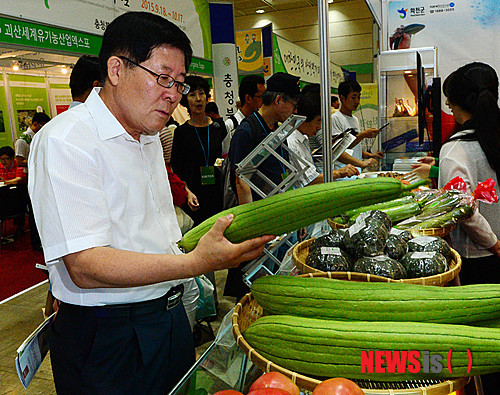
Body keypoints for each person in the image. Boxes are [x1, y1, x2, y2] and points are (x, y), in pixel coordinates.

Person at [28, 11, 273, 394]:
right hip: (109, 336)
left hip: (168, 318)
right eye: (162, 78)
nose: (173, 94)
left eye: (179, 83)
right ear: (116, 69)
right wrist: (195, 263)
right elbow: (85, 265)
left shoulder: (145, 135)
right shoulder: (67, 141)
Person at [437, 61, 500, 393]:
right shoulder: (493, 136)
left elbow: (462, 206)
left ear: (457, 104)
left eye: (448, 100)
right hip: (495, 252)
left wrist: (494, 244)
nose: (447, 106)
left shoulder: (456, 148)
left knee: (483, 345)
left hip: (479, 260)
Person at [224, 72, 301, 300]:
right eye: (293, 105)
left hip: (276, 214)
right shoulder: (247, 131)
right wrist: (251, 223)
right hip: (258, 219)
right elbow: (240, 180)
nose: (294, 111)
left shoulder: (277, 131)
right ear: (279, 101)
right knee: (251, 282)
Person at [170, 75, 227, 226]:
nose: (198, 99)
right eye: (192, 95)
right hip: (193, 194)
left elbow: (221, 155)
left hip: (216, 191)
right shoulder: (181, 133)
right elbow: (177, 168)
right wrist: (187, 192)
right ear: (185, 101)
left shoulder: (218, 128)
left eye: (201, 93)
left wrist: (217, 165)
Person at [287, 84, 359, 189]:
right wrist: (338, 173)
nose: (320, 127)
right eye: (318, 121)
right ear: (303, 120)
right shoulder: (292, 142)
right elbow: (308, 180)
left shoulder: (304, 139)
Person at [332, 80, 383, 175]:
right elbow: (338, 151)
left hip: (357, 172)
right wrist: (363, 135)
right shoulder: (335, 119)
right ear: (342, 98)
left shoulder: (354, 119)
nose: (357, 101)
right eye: (353, 97)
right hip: (343, 173)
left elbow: (354, 148)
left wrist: (370, 155)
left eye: (359, 97)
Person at [223, 74, 266, 154]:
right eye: (261, 96)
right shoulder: (231, 125)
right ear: (248, 98)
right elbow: (227, 155)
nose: (264, 100)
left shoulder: (262, 122)